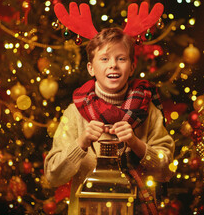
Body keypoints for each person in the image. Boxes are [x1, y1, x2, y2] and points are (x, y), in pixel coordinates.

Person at [44, 27, 175, 215]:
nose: (113, 65)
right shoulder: (74, 114)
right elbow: (52, 175)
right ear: (91, 68)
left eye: (121, 58)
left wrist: (137, 145)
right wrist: (80, 143)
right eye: (104, 59)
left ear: (131, 67)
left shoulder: (149, 111)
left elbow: (166, 170)